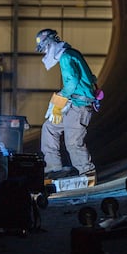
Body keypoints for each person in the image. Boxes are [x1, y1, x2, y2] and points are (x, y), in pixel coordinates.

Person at [35, 28, 102, 179]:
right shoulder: (71, 53)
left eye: (45, 48)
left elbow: (72, 82)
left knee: (72, 142)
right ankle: (53, 168)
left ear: (50, 44)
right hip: (74, 104)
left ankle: (87, 173)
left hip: (79, 107)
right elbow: (88, 78)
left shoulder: (66, 57)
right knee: (49, 128)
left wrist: (59, 100)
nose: (45, 53)